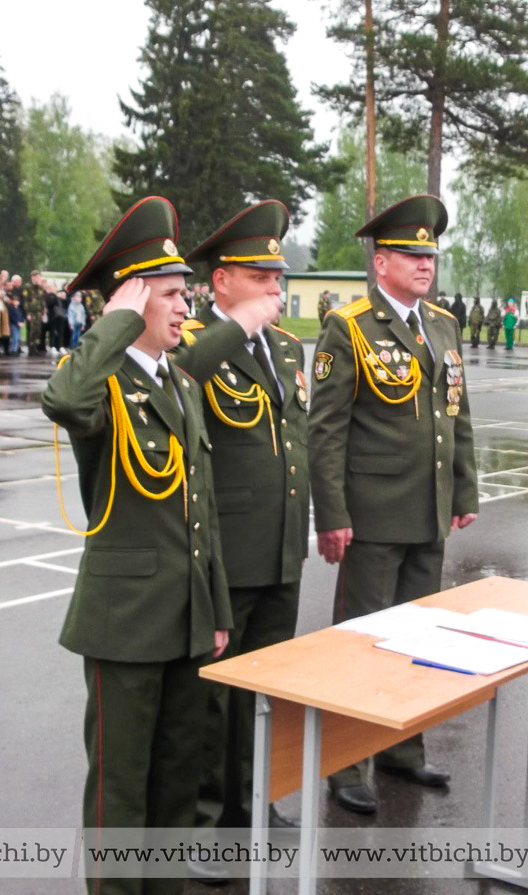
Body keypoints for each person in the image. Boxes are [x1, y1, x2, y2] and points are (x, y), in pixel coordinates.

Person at [41, 196, 248, 895]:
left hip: (186, 619)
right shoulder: (104, 386)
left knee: (174, 788)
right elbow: (62, 398)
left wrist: (217, 608)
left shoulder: (181, 385)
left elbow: (204, 512)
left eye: (186, 292)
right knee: (120, 795)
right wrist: (113, 323)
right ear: (130, 303)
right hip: (125, 623)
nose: (186, 306)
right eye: (169, 295)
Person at [309, 194, 479, 815]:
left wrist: (464, 488)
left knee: (418, 635)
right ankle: (346, 762)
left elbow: (456, 413)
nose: (424, 263)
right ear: (381, 263)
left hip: (428, 509)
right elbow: (324, 429)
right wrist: (331, 513)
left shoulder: (442, 325)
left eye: (430, 253)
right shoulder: (348, 326)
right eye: (411, 254)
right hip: (373, 515)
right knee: (362, 640)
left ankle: (402, 751)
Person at [170, 200, 309, 854]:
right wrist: (238, 325)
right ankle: (205, 822)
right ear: (222, 280)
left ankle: (254, 802)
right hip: (227, 552)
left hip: (280, 546)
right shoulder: (192, 339)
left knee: (265, 686)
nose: (274, 290)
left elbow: (296, 438)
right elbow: (177, 379)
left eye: (277, 278)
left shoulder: (285, 346)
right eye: (260, 278)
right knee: (214, 700)